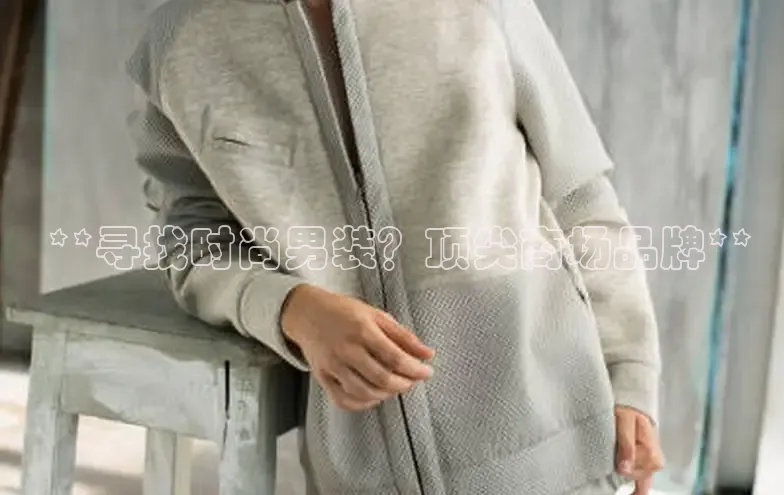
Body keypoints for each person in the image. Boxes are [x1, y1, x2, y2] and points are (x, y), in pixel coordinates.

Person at [126, 0, 664, 493]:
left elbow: (580, 196)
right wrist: (293, 309)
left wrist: (631, 374)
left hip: (557, 450)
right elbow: (192, 243)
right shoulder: (182, 38)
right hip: (359, 472)